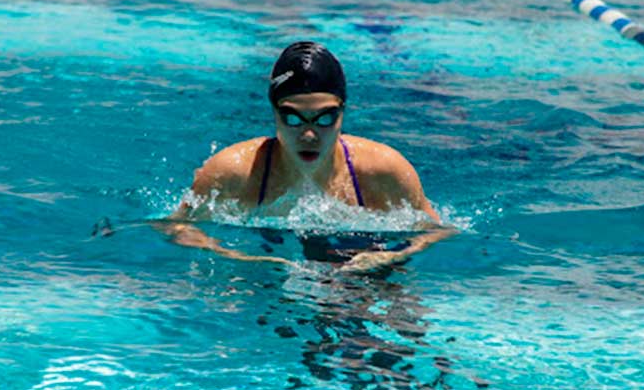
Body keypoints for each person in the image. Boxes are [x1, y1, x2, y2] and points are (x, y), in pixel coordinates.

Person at [157, 41, 455, 272]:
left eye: (324, 119)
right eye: (294, 119)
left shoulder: (384, 171)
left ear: (343, 113)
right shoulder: (235, 172)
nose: (309, 135)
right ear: (274, 113)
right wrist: (239, 258)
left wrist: (390, 256)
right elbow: (175, 226)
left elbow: (437, 232)